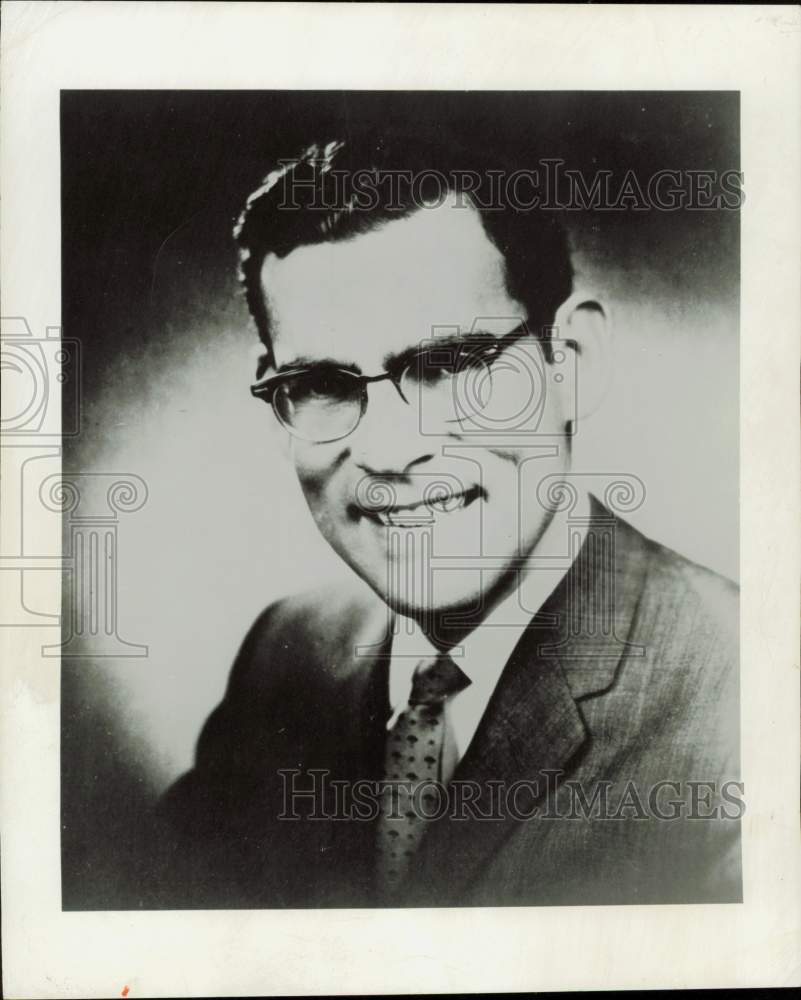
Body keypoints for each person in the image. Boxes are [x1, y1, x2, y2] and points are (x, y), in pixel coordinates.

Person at [152, 132, 741, 908]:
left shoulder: (745, 695)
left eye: (448, 367)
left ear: (571, 362)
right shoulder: (284, 658)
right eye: (323, 382)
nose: (391, 450)